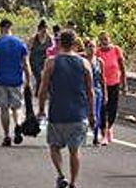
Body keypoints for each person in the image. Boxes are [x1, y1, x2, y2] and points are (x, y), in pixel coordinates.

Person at [38, 29, 95, 188]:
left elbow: (43, 89)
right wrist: (92, 114)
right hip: (78, 114)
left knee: (54, 146)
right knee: (74, 150)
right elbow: (90, 92)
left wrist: (41, 109)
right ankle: (74, 182)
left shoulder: (51, 62)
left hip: (57, 112)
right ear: (75, 43)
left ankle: (61, 174)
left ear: (59, 43)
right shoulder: (85, 63)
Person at [0, 19, 31, 147]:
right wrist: (28, 80)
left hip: (0, 80)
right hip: (16, 80)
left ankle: (7, 136)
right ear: (11, 27)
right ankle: (17, 125)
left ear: (0, 28)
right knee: (16, 107)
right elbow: (26, 64)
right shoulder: (20, 43)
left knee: (4, 109)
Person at [95, 31, 127, 145]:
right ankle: (103, 133)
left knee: (112, 108)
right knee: (102, 109)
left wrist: (124, 84)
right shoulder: (97, 52)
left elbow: (122, 68)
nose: (104, 42)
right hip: (102, 84)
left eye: (106, 39)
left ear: (109, 39)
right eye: (102, 40)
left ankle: (110, 128)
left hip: (114, 83)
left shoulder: (116, 50)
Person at [84, 38, 107, 146]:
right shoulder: (82, 61)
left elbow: (103, 78)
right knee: (84, 113)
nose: (92, 49)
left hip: (97, 91)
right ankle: (81, 135)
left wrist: (105, 93)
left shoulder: (99, 61)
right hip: (84, 90)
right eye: (89, 46)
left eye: (93, 46)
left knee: (96, 113)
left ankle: (95, 136)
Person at [28, 20, 53, 95]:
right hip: (35, 61)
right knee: (39, 76)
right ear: (39, 30)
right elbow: (28, 50)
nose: (44, 32)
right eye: (43, 30)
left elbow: (52, 49)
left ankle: (43, 93)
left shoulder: (49, 38)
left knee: (46, 77)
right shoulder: (33, 38)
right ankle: (39, 94)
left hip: (44, 61)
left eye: (46, 29)